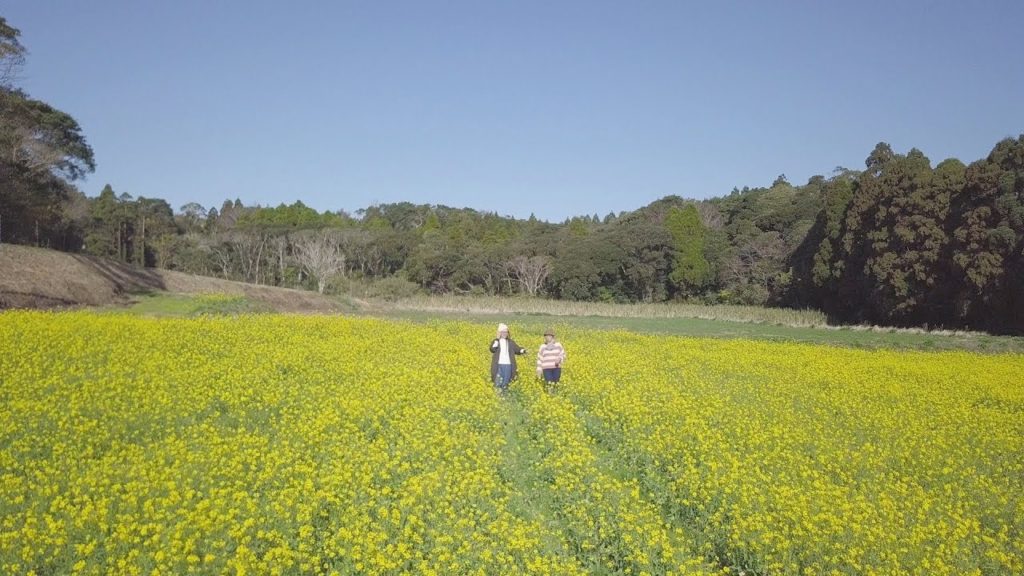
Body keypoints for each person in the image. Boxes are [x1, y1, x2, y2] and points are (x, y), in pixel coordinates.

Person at [489, 323, 527, 393]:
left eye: (506, 332)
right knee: (497, 382)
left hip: (508, 365)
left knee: (506, 382)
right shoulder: (496, 341)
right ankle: (498, 397)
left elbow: (517, 349)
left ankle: (504, 398)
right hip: (498, 365)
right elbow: (492, 349)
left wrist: (522, 350)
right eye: (503, 332)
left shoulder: (510, 342)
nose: (505, 334)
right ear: (499, 333)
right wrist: (497, 339)